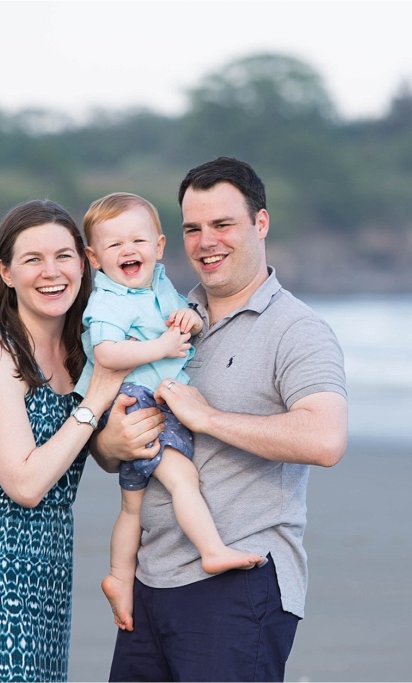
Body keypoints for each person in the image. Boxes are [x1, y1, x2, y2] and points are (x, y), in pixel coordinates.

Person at [92, 157, 349, 682]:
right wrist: (112, 443)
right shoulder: (164, 313)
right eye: (193, 228)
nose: (207, 241)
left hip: (239, 585)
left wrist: (208, 417)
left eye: (223, 224)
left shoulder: (297, 329)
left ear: (260, 223)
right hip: (149, 582)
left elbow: (325, 438)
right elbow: (112, 447)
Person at [0, 199, 132, 682]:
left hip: (50, 564)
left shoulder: (84, 348)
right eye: (32, 259)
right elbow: (25, 484)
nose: (52, 272)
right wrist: (97, 398)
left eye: (64, 256)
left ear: (84, 263)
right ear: (5, 272)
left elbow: (98, 454)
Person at [76, 192, 264, 632]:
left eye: (138, 241)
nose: (129, 250)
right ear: (94, 258)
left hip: (147, 396)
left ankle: (119, 577)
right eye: (115, 244)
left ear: (159, 246)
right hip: (136, 398)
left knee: (132, 506)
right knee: (183, 478)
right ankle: (212, 549)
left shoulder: (158, 284)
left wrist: (191, 321)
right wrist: (161, 346)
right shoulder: (107, 301)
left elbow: (182, 315)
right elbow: (105, 353)